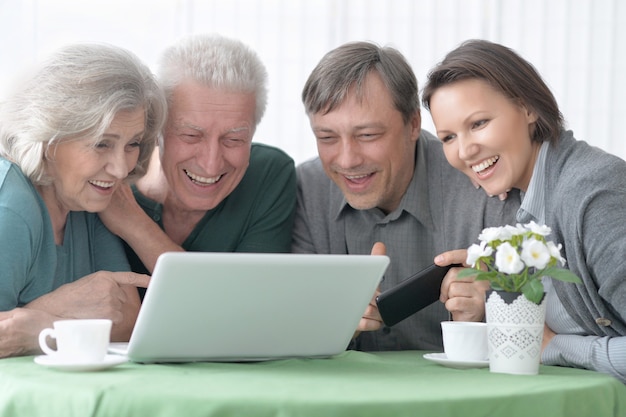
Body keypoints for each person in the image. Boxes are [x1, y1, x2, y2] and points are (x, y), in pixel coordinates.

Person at [293, 41, 521, 351]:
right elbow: (296, 335)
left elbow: (534, 326)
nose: (347, 160)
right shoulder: (307, 189)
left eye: (367, 135)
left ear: (413, 124)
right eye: (327, 137)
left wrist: (492, 310)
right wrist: (331, 327)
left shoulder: (482, 183)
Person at [421, 39, 626, 382]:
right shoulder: (515, 196)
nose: (466, 151)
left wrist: (556, 346)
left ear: (528, 107)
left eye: (479, 123)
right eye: (448, 138)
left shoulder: (593, 195)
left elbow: (548, 343)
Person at [0, 42, 167, 357]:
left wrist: (37, 322)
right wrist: (52, 314)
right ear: (48, 138)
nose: (120, 169)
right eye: (102, 144)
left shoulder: (90, 198)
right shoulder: (10, 204)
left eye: (132, 144)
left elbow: (127, 319)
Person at [100, 34, 296, 275]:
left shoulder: (268, 175)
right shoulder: (107, 181)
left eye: (233, 140)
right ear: (156, 128)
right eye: (191, 136)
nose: (211, 164)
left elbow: (249, 303)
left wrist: (135, 225)